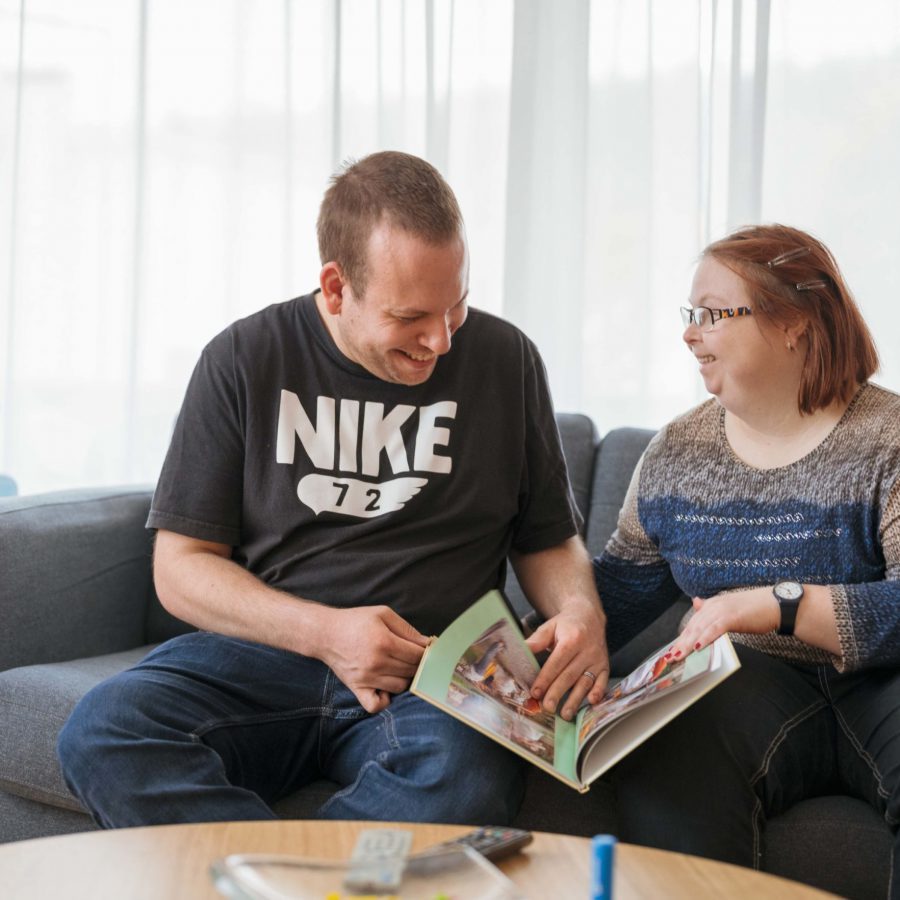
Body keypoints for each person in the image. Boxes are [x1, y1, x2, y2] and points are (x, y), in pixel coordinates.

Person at [57, 150, 608, 828]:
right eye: (411, 317)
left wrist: (582, 610)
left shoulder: (506, 360)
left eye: (455, 306)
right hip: (262, 658)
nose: (439, 341)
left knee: (466, 778)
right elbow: (180, 569)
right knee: (104, 732)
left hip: (426, 681)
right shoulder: (243, 358)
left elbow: (549, 541)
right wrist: (325, 633)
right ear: (336, 287)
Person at [595, 223, 900, 890]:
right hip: (753, 692)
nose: (688, 333)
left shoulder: (889, 438)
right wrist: (512, 653)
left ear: (793, 321)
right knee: (669, 745)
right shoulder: (675, 455)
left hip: (887, 683)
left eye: (711, 314)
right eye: (689, 315)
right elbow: (610, 602)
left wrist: (772, 605)